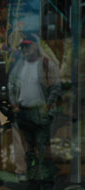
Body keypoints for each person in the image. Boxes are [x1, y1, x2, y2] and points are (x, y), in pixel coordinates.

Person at [7, 33, 61, 174]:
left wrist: (48, 106)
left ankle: (42, 175)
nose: (24, 49)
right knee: (25, 146)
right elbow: (11, 85)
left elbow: (56, 87)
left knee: (41, 146)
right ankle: (25, 173)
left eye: (27, 46)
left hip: (40, 112)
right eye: (22, 47)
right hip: (23, 111)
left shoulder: (46, 64)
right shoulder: (19, 65)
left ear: (35, 46)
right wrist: (14, 105)